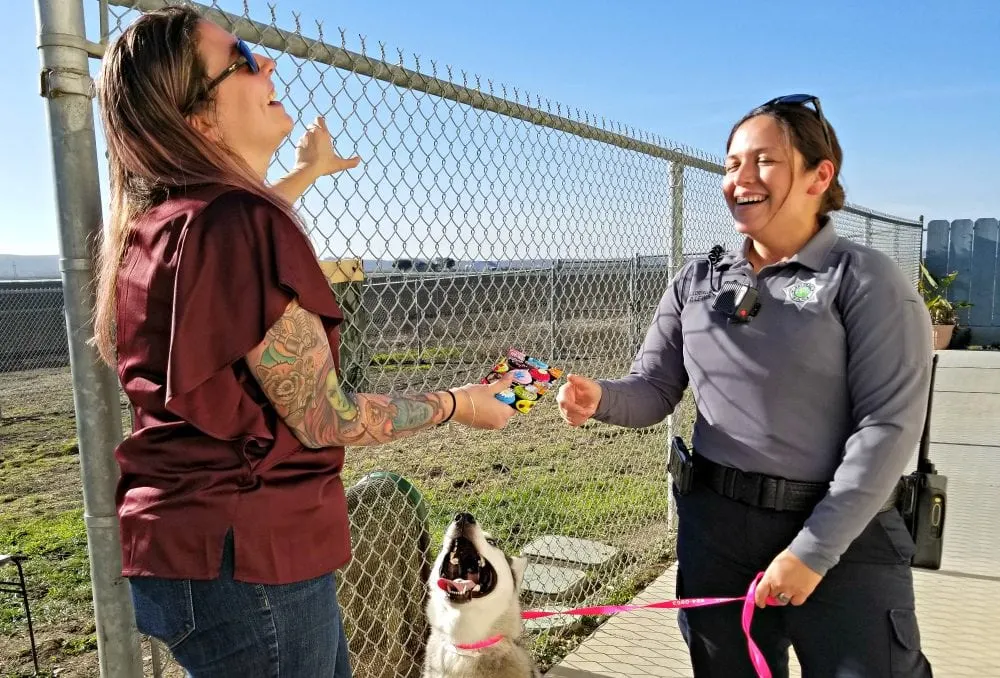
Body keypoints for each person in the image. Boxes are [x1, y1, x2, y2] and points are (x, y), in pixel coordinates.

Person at [90, 7, 517, 677]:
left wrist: (305, 176)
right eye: (242, 58)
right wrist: (460, 402)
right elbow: (327, 419)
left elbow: (238, 266)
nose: (270, 65)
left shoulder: (166, 224)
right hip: (251, 559)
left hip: (186, 551)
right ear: (198, 117)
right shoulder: (240, 224)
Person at [556, 94, 934, 677]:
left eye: (764, 161)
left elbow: (886, 427)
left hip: (843, 535)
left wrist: (813, 552)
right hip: (717, 533)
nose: (740, 178)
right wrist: (600, 398)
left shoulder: (862, 280)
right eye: (732, 163)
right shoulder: (697, 281)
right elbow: (654, 388)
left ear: (819, 175)